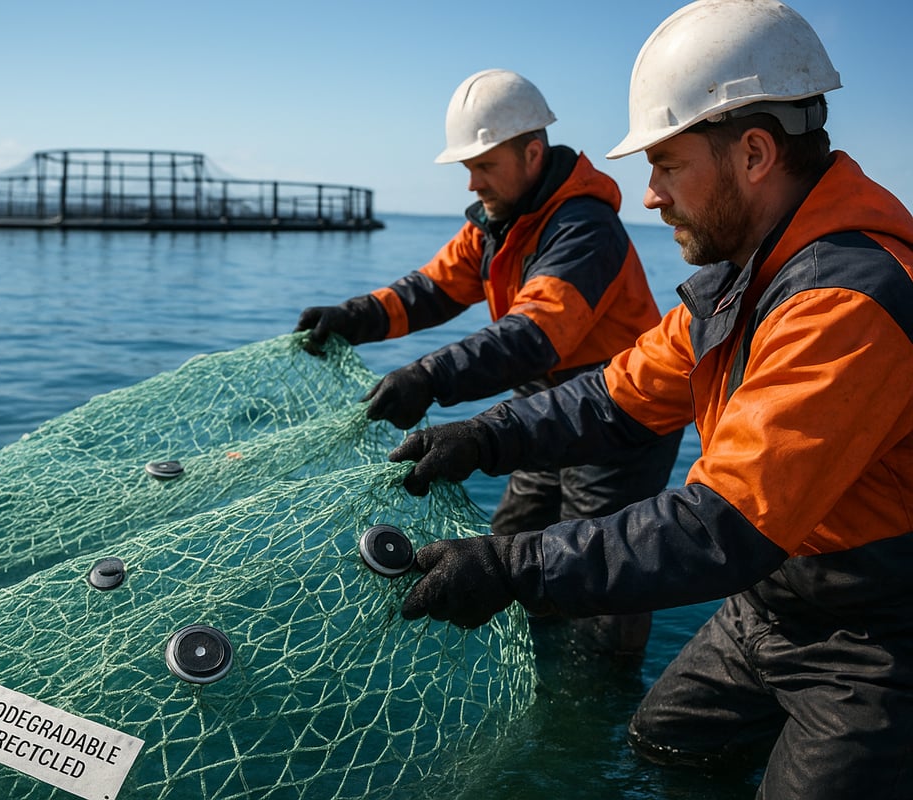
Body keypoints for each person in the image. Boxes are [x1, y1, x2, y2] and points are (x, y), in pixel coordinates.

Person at [390, 1, 913, 796]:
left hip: (877, 632)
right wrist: (483, 436)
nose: (650, 197)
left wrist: (509, 565)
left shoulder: (846, 303)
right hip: (770, 606)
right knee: (663, 743)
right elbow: (611, 395)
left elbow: (720, 525)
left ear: (756, 154)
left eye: (667, 166)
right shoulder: (749, 277)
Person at [295, 68, 682, 655]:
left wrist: (429, 375)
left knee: (599, 573)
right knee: (509, 548)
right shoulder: (496, 223)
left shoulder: (584, 227)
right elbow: (430, 289)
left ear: (532, 152)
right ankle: (524, 663)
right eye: (468, 168)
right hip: (543, 402)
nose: (472, 183)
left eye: (484, 166)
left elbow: (533, 334)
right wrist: (353, 315)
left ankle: (598, 697)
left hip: (616, 414)